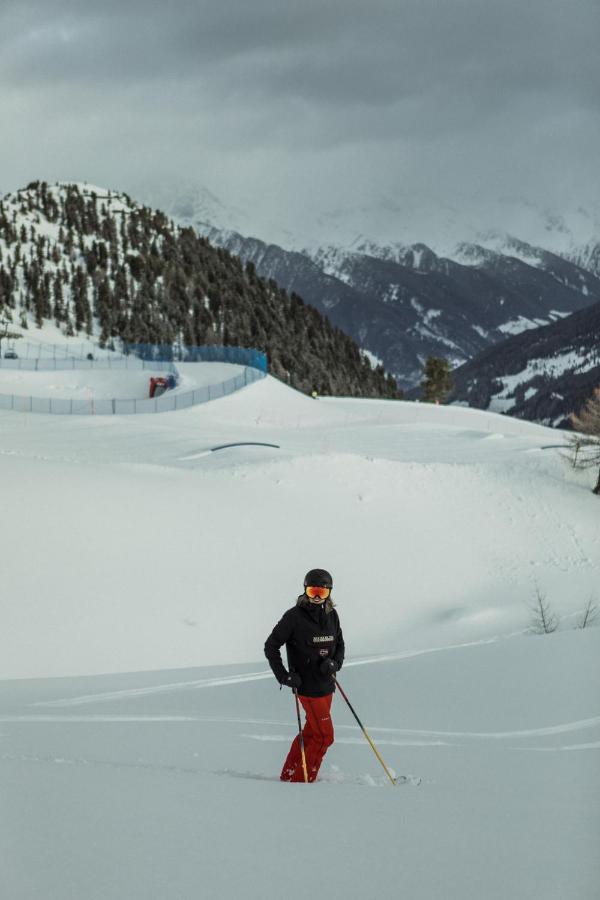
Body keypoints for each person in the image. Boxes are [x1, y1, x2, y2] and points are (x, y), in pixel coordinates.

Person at [264, 568, 345, 783]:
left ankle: (289, 775)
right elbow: (271, 646)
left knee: (312, 733)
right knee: (324, 737)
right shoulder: (293, 617)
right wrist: (284, 676)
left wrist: (334, 663)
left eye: (322, 592)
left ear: (329, 592)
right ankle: (303, 782)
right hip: (307, 688)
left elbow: (340, 644)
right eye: (312, 591)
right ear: (305, 591)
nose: (317, 597)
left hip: (328, 685)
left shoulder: (332, 615)